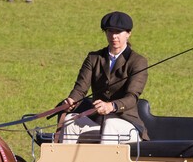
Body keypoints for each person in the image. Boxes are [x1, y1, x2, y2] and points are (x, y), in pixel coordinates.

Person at [60, 11, 149, 146]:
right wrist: (71, 100)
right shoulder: (94, 58)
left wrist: (111, 106)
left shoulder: (138, 61)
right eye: (109, 31)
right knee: (70, 120)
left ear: (128, 33)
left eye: (118, 32)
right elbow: (80, 89)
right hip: (98, 122)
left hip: (127, 125)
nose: (114, 36)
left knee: (110, 125)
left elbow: (132, 97)